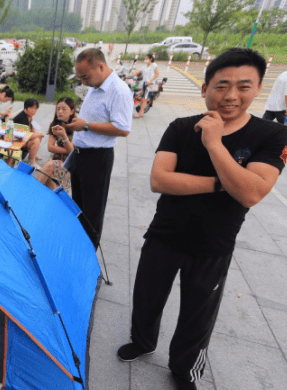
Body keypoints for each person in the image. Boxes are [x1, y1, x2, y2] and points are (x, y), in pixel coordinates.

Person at [118, 48, 287, 390]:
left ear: (257, 89)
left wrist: (214, 143)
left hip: (213, 246)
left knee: (197, 317)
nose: (231, 96)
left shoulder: (272, 136)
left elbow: (252, 193)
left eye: (243, 86)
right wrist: (223, 183)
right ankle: (143, 341)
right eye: (221, 85)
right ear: (205, 88)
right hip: (163, 235)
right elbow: (159, 180)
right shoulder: (179, 127)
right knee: (147, 298)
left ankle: (183, 369)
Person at [64, 48, 133, 249]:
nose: (83, 82)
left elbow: (123, 128)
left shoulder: (119, 91)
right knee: (79, 207)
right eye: (80, 77)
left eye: (85, 76)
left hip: (97, 158)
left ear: (101, 66)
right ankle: (78, 248)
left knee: (92, 212)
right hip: (80, 155)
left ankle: (88, 259)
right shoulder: (96, 86)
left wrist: (85, 125)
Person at [38, 97, 76, 192]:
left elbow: (71, 153)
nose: (60, 112)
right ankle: (59, 200)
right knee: (49, 180)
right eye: (58, 109)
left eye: (64, 109)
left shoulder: (76, 126)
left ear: (72, 111)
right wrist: (68, 150)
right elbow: (50, 147)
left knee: (49, 167)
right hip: (56, 159)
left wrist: (64, 135)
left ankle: (31, 192)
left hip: (69, 164)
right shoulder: (54, 124)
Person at [12, 99, 45, 167]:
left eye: (35, 108)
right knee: (36, 139)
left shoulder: (28, 116)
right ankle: (32, 161)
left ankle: (33, 154)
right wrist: (38, 134)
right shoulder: (21, 118)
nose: (33, 110)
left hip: (23, 142)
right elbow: (25, 136)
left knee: (38, 136)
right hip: (18, 146)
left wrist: (37, 134)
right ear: (25, 107)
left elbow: (32, 131)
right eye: (31, 108)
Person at [129, 54, 159, 118]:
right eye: (145, 59)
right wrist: (129, 76)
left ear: (151, 59)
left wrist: (150, 81)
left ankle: (140, 113)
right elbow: (137, 72)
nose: (145, 60)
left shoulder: (154, 65)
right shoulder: (144, 66)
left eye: (146, 59)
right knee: (142, 99)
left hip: (150, 85)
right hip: (145, 84)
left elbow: (157, 74)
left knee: (144, 99)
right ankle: (141, 112)